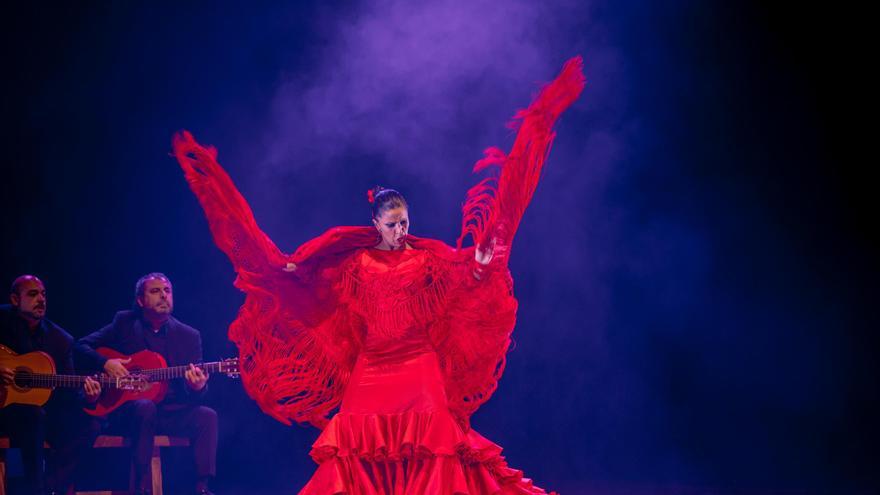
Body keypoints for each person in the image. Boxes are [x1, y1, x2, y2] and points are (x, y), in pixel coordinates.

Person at [172, 56, 584, 494]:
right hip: (371, 368)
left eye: (405, 221)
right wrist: (284, 269)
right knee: (352, 452)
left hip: (419, 367)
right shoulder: (353, 264)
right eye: (392, 224)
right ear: (376, 224)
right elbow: (303, 285)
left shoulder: (428, 260)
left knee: (432, 450)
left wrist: (488, 252)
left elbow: (470, 273)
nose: (402, 230)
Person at [73, 273, 217, 495]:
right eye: (155, 291)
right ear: (140, 300)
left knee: (207, 415)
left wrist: (197, 387)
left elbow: (196, 392)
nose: (163, 296)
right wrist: (106, 363)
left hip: (169, 413)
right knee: (144, 406)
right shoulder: (124, 323)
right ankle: (140, 486)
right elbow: (80, 346)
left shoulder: (189, 336)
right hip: (129, 411)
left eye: (167, 291)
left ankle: (202, 487)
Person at [0, 275, 101, 495]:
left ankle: (53, 486)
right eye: (33, 294)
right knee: (35, 415)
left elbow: (71, 394)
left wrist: (89, 397)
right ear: (15, 300)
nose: (41, 300)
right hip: (6, 411)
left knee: (89, 425)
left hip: (43, 416)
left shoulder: (60, 339)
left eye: (44, 294)